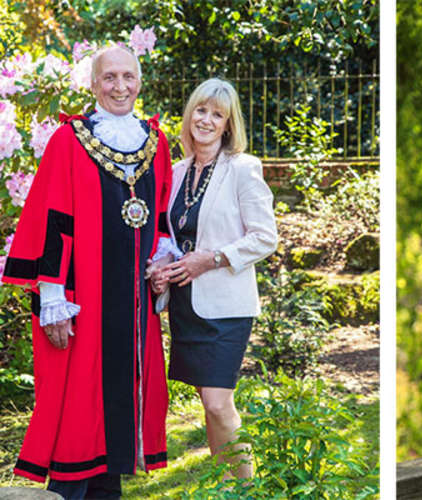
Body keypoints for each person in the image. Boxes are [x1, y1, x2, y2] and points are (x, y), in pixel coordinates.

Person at [2, 45, 172, 498]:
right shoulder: (70, 139)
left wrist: (162, 258)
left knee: (118, 410)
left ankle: (107, 490)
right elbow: (52, 219)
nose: (120, 87)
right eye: (109, 78)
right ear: (93, 84)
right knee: (76, 406)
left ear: (140, 81)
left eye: (128, 77)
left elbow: (159, 217)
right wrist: (52, 296)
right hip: (85, 297)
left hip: (132, 301)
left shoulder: (155, 142)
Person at [148, 78, 277, 478]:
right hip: (187, 305)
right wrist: (161, 270)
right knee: (209, 403)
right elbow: (172, 237)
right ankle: (226, 486)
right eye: (201, 111)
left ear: (227, 125)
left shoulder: (242, 168)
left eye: (217, 114)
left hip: (226, 307)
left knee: (220, 403)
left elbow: (265, 237)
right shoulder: (175, 172)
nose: (206, 120)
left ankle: (246, 487)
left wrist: (214, 258)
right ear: (190, 116)